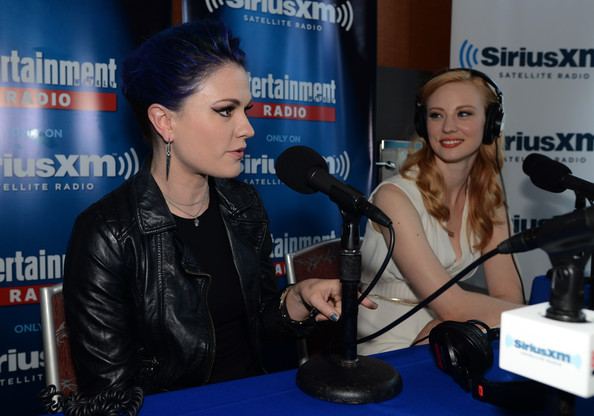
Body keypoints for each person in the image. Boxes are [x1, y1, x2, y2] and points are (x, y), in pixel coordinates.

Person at [61, 19, 377, 398]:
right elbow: (109, 393)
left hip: (253, 396)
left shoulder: (243, 205)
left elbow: (260, 324)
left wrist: (296, 298)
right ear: (164, 121)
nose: (247, 128)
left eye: (246, 109)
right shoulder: (106, 232)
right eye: (226, 110)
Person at [357, 68, 525, 355]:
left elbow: (509, 295)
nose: (448, 127)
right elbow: (453, 306)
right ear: (424, 124)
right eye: (436, 115)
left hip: (446, 333)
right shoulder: (393, 197)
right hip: (385, 345)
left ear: (492, 123)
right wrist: (546, 322)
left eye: (464, 114)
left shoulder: (488, 199)